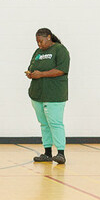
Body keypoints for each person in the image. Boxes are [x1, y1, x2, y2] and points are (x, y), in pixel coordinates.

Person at [25, 28, 70, 165]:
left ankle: (61, 153)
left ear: (49, 37)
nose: (39, 44)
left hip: (54, 95)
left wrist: (42, 74)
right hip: (37, 94)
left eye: (41, 41)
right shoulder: (38, 52)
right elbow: (32, 67)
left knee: (55, 123)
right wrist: (31, 73)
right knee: (44, 124)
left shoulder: (60, 50)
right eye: (37, 42)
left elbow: (62, 70)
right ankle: (47, 153)